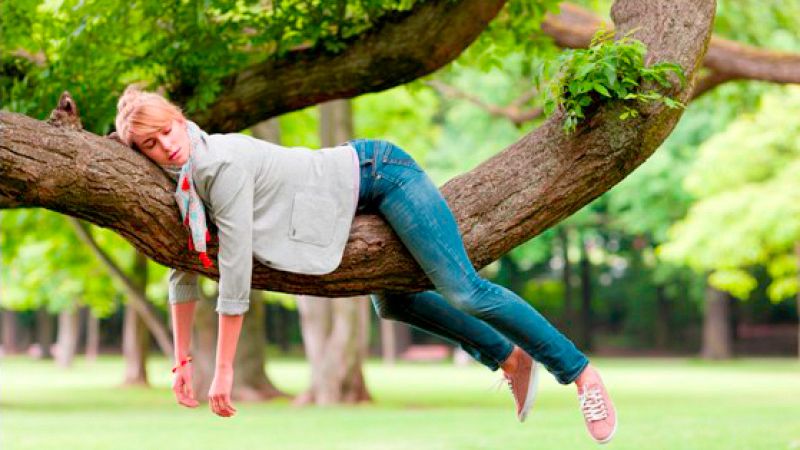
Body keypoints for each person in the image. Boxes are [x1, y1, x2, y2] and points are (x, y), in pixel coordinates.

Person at [114, 85, 617, 444]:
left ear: (180, 119)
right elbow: (183, 266)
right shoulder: (185, 186)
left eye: (166, 131)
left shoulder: (217, 164)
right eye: (150, 145)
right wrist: (182, 361)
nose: (166, 147)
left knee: (463, 289)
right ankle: (508, 356)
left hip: (380, 173)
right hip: (344, 200)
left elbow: (234, 272)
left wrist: (222, 370)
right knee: (393, 304)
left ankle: (581, 374)